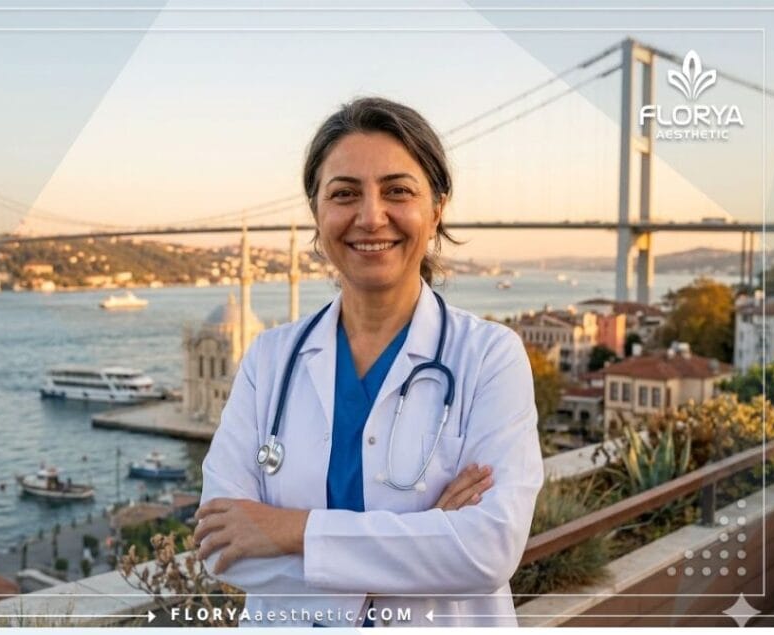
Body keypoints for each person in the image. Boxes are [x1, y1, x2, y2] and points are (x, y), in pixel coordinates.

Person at [195, 97, 544, 627]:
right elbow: (225, 546)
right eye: (344, 194)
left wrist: (288, 530)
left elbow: (487, 551)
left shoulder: (490, 357)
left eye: (398, 191)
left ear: (437, 208)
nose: (370, 216)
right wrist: (426, 536)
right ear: (316, 211)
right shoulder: (269, 359)